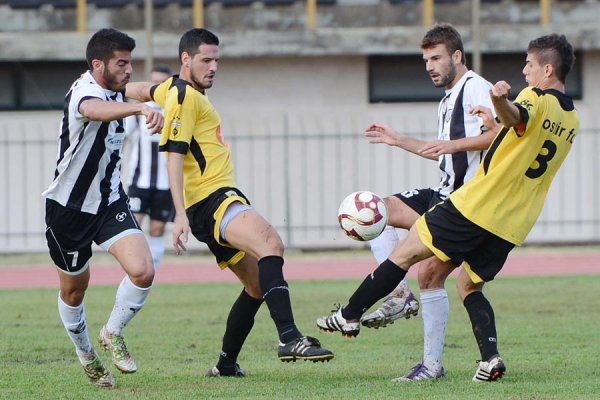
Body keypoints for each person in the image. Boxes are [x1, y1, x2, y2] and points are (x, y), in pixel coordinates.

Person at [317, 33, 578, 383]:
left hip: (475, 204)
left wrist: (500, 101)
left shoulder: (528, 96)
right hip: (512, 222)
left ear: (547, 69)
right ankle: (490, 359)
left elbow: (517, 116)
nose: (524, 71)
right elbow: (518, 138)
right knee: (468, 286)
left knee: (408, 257)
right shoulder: (572, 120)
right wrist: (494, 122)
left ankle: (350, 313)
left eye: (529, 65)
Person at [126, 28, 334, 377]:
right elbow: (173, 156)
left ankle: (225, 364)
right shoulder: (184, 97)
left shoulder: (172, 90)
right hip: (213, 197)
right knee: (271, 242)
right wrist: (179, 215)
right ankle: (289, 337)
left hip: (205, 206)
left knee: (255, 285)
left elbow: (138, 88)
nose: (214, 67)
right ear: (186, 60)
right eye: (206, 60)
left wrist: (111, 88)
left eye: (217, 60)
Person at [322, 23, 500, 381]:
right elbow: (445, 154)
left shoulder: (475, 88)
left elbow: (496, 136)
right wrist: (399, 140)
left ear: (457, 56)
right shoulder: (450, 96)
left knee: (430, 275)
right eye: (425, 60)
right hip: (444, 192)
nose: (430, 66)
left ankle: (430, 364)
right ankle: (400, 295)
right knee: (376, 210)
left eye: (436, 58)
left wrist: (452, 147)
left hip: (463, 204)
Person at [42, 28, 163, 389]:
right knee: (76, 290)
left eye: (130, 63)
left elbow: (141, 88)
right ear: (98, 65)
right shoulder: (86, 91)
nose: (128, 70)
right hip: (69, 209)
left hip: (109, 201)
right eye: (121, 63)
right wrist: (141, 108)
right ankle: (85, 353)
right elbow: (95, 110)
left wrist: (173, 90)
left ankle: (112, 332)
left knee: (143, 270)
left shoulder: (116, 86)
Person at [125, 65, 175, 270]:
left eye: (163, 82)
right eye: (154, 82)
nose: (157, 86)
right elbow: (122, 139)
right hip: (139, 181)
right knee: (133, 227)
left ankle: (152, 274)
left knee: (157, 229)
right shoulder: (138, 111)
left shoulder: (175, 112)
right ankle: (135, 272)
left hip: (165, 183)